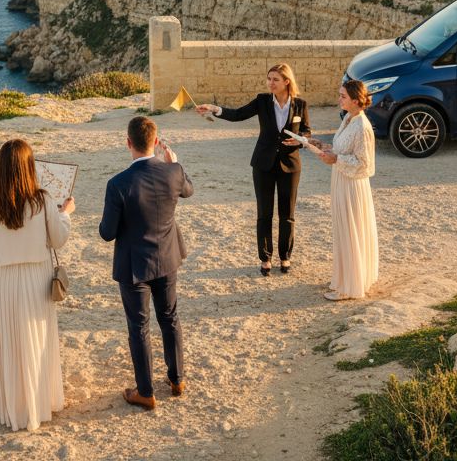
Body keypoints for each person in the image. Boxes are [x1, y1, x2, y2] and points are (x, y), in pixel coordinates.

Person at [0, 139, 74, 431]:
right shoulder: (42, 199)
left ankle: (13, 407)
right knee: (37, 339)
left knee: (9, 340)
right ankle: (39, 402)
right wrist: (66, 213)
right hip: (35, 278)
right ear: (30, 167)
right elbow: (58, 239)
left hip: (3, 280)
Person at [99, 116, 194, 411]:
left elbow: (107, 233)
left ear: (128, 143)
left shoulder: (118, 184)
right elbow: (188, 190)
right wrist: (174, 162)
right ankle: (177, 379)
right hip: (166, 258)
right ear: (155, 141)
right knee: (169, 317)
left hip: (134, 265)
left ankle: (145, 391)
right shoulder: (173, 172)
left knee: (138, 326)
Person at [195, 64, 310, 276]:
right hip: (263, 165)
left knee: (287, 215)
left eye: (275, 79)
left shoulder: (300, 105)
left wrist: (301, 142)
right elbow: (238, 114)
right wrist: (214, 109)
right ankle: (265, 258)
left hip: (290, 166)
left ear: (287, 81)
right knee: (264, 213)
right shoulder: (262, 101)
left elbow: (306, 132)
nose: (270, 83)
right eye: (269, 78)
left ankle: (285, 256)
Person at [315, 80, 379, 300]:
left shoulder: (362, 126)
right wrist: (324, 148)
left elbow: (364, 163)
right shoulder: (349, 119)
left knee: (350, 231)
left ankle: (349, 287)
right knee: (343, 230)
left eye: (342, 96)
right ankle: (346, 278)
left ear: (355, 100)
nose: (339, 99)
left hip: (352, 185)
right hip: (341, 180)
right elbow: (343, 149)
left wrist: (336, 159)